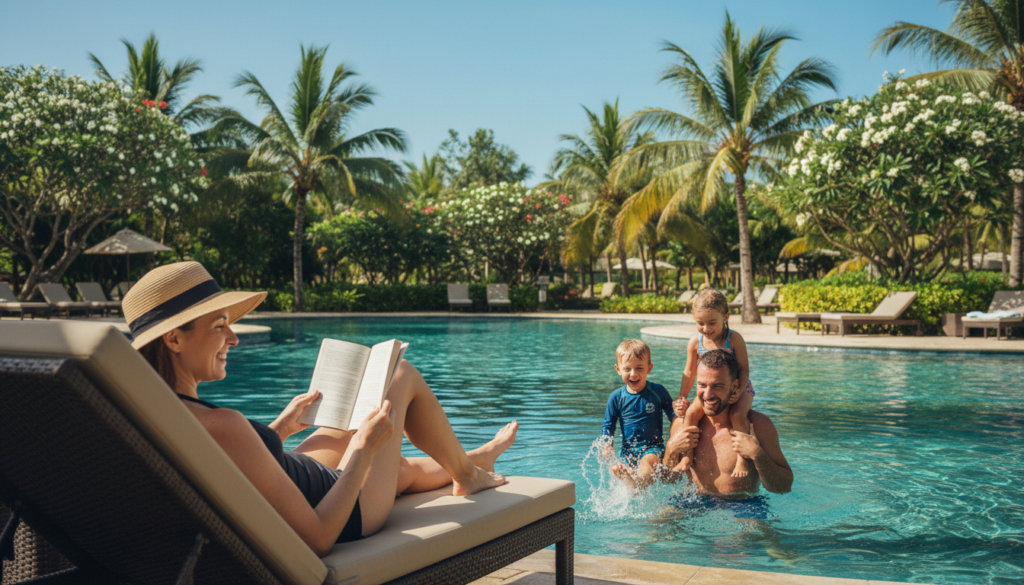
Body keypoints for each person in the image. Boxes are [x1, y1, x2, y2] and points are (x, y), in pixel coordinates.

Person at [122, 261, 515, 556]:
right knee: (400, 376)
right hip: (345, 511)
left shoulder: (152, 414)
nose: (234, 339)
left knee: (364, 429)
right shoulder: (222, 424)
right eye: (219, 326)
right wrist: (363, 449)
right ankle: (466, 473)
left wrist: (280, 428)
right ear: (174, 339)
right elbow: (320, 537)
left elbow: (231, 463)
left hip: (289, 472)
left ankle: (474, 458)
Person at [663, 350, 792, 506]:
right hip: (695, 499)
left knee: (753, 530)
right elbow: (667, 481)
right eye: (702, 385)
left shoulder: (758, 425)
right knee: (660, 526)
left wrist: (757, 455)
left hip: (743, 504)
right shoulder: (682, 424)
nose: (708, 394)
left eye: (717, 386)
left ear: (734, 386)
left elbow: (783, 487)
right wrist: (671, 450)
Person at [670, 288, 755, 478]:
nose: (706, 329)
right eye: (700, 323)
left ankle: (742, 458)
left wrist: (739, 390)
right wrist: (682, 395)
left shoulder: (734, 339)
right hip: (711, 391)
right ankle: (687, 456)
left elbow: (744, 370)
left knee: (738, 414)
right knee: (691, 414)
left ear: (725, 317)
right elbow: (690, 371)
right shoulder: (695, 343)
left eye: (711, 323)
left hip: (739, 386)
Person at [600, 339, 675, 492]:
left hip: (653, 449)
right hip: (628, 452)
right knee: (620, 471)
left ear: (649, 368)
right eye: (627, 368)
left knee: (648, 461)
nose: (633, 374)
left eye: (639, 368)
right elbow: (608, 425)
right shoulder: (616, 397)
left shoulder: (657, 391)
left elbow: (674, 416)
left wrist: (674, 445)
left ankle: (636, 484)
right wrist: (607, 446)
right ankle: (633, 483)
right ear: (618, 369)